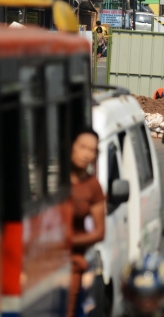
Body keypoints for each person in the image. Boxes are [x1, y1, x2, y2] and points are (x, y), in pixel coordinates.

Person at [67, 129, 106, 317]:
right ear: (71, 146)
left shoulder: (93, 186)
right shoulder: (53, 181)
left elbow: (99, 233)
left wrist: (68, 241)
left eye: (92, 150)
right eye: (82, 147)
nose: (86, 154)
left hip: (72, 263)